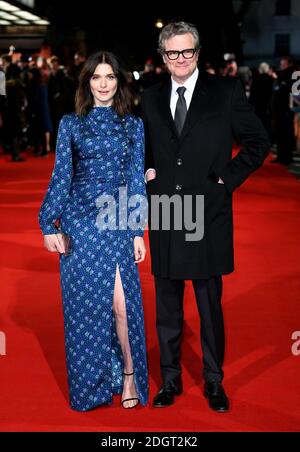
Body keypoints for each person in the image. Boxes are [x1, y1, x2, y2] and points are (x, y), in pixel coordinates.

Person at [141, 21, 270, 413]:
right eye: (172, 53)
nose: (180, 59)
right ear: (163, 56)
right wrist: (144, 175)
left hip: (207, 212)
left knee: (209, 306)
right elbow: (141, 150)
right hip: (165, 210)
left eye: (188, 51)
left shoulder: (225, 91)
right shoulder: (148, 97)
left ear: (198, 52)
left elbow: (258, 142)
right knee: (167, 307)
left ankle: (214, 381)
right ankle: (170, 380)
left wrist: (224, 181)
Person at [38, 51, 148, 412]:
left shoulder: (133, 125)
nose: (103, 84)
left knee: (121, 305)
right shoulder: (71, 123)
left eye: (110, 77)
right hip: (80, 224)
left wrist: (136, 231)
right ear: (87, 83)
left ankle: (129, 374)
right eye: (96, 77)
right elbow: (61, 176)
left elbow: (135, 180)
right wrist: (48, 222)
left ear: (119, 82)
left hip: (116, 221)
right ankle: (92, 385)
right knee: (86, 309)